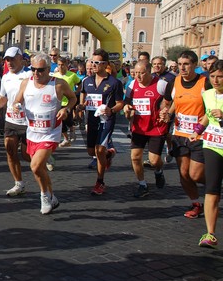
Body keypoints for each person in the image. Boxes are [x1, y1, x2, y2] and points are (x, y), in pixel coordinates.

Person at [12, 53, 76, 214]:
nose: (36, 73)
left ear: (48, 69)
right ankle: (52, 197)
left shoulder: (59, 84)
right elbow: (17, 101)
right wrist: (16, 106)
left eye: (40, 70)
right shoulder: (26, 83)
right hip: (32, 132)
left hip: (50, 133)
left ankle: (44, 196)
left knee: (35, 167)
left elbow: (73, 98)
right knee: (40, 169)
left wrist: (66, 109)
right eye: (33, 69)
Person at [160, 50, 210, 218]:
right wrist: (166, 112)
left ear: (195, 65)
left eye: (186, 64)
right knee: (184, 174)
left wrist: (208, 114)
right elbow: (169, 102)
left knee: (195, 174)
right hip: (180, 134)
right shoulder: (174, 82)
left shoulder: (205, 82)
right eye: (180, 64)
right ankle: (196, 204)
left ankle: (215, 184)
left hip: (200, 135)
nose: (182, 68)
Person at [0, 47, 32, 196]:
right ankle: (19, 184)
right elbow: (3, 98)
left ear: (21, 59)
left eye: (12, 59)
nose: (9, 62)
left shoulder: (30, 74)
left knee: (26, 155)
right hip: (11, 120)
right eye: (7, 59)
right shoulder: (5, 76)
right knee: (10, 150)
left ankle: (44, 156)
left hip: (28, 121)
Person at [78, 48, 124, 195]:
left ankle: (100, 182)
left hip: (106, 120)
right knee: (91, 151)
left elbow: (120, 103)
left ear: (105, 64)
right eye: (92, 62)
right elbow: (83, 98)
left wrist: (112, 110)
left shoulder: (114, 82)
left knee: (98, 151)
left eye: (97, 62)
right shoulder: (87, 80)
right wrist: (80, 106)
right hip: (91, 120)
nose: (93, 65)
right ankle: (108, 155)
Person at [189, 59, 223, 247]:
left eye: (220, 77)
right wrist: (197, 130)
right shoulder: (208, 94)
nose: (216, 80)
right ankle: (210, 234)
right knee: (212, 189)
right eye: (213, 76)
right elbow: (207, 116)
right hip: (213, 145)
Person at [123, 61, 168, 198]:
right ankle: (142, 185)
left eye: (142, 73)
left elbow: (171, 100)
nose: (138, 76)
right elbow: (127, 101)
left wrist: (166, 108)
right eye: (136, 73)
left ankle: (159, 171)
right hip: (139, 127)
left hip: (156, 127)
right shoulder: (132, 85)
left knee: (154, 161)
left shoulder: (160, 84)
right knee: (135, 158)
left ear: (149, 71)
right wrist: (126, 108)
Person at [52, 56, 81, 146]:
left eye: (63, 65)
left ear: (66, 65)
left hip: (68, 102)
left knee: (67, 119)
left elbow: (80, 84)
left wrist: (76, 92)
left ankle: (72, 129)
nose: (61, 67)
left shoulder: (72, 75)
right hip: (58, 101)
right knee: (60, 121)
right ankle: (65, 138)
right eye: (59, 65)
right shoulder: (54, 76)